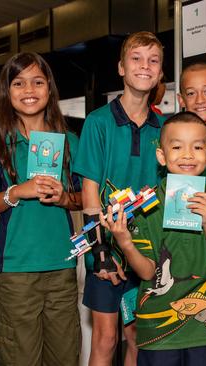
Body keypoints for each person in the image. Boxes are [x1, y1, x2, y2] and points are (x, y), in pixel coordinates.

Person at [0, 52, 82, 366]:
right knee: (21, 357)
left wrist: (64, 198)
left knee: (65, 355)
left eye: (37, 81)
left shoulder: (69, 141)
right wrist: (17, 192)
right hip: (16, 269)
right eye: (18, 83)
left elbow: (86, 199)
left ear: (49, 89)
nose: (29, 89)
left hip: (62, 266)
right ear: (7, 92)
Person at [101, 111, 206, 366]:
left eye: (197, 147)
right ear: (161, 155)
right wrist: (125, 242)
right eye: (176, 147)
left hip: (203, 328)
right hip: (157, 328)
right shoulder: (146, 206)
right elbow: (148, 272)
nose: (187, 155)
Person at [73, 31, 165, 366]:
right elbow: (89, 192)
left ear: (159, 72)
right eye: (136, 59)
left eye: (153, 60)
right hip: (107, 247)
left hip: (148, 249)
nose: (145, 66)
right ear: (121, 68)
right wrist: (99, 253)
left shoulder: (165, 127)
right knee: (106, 338)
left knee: (138, 337)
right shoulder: (98, 123)